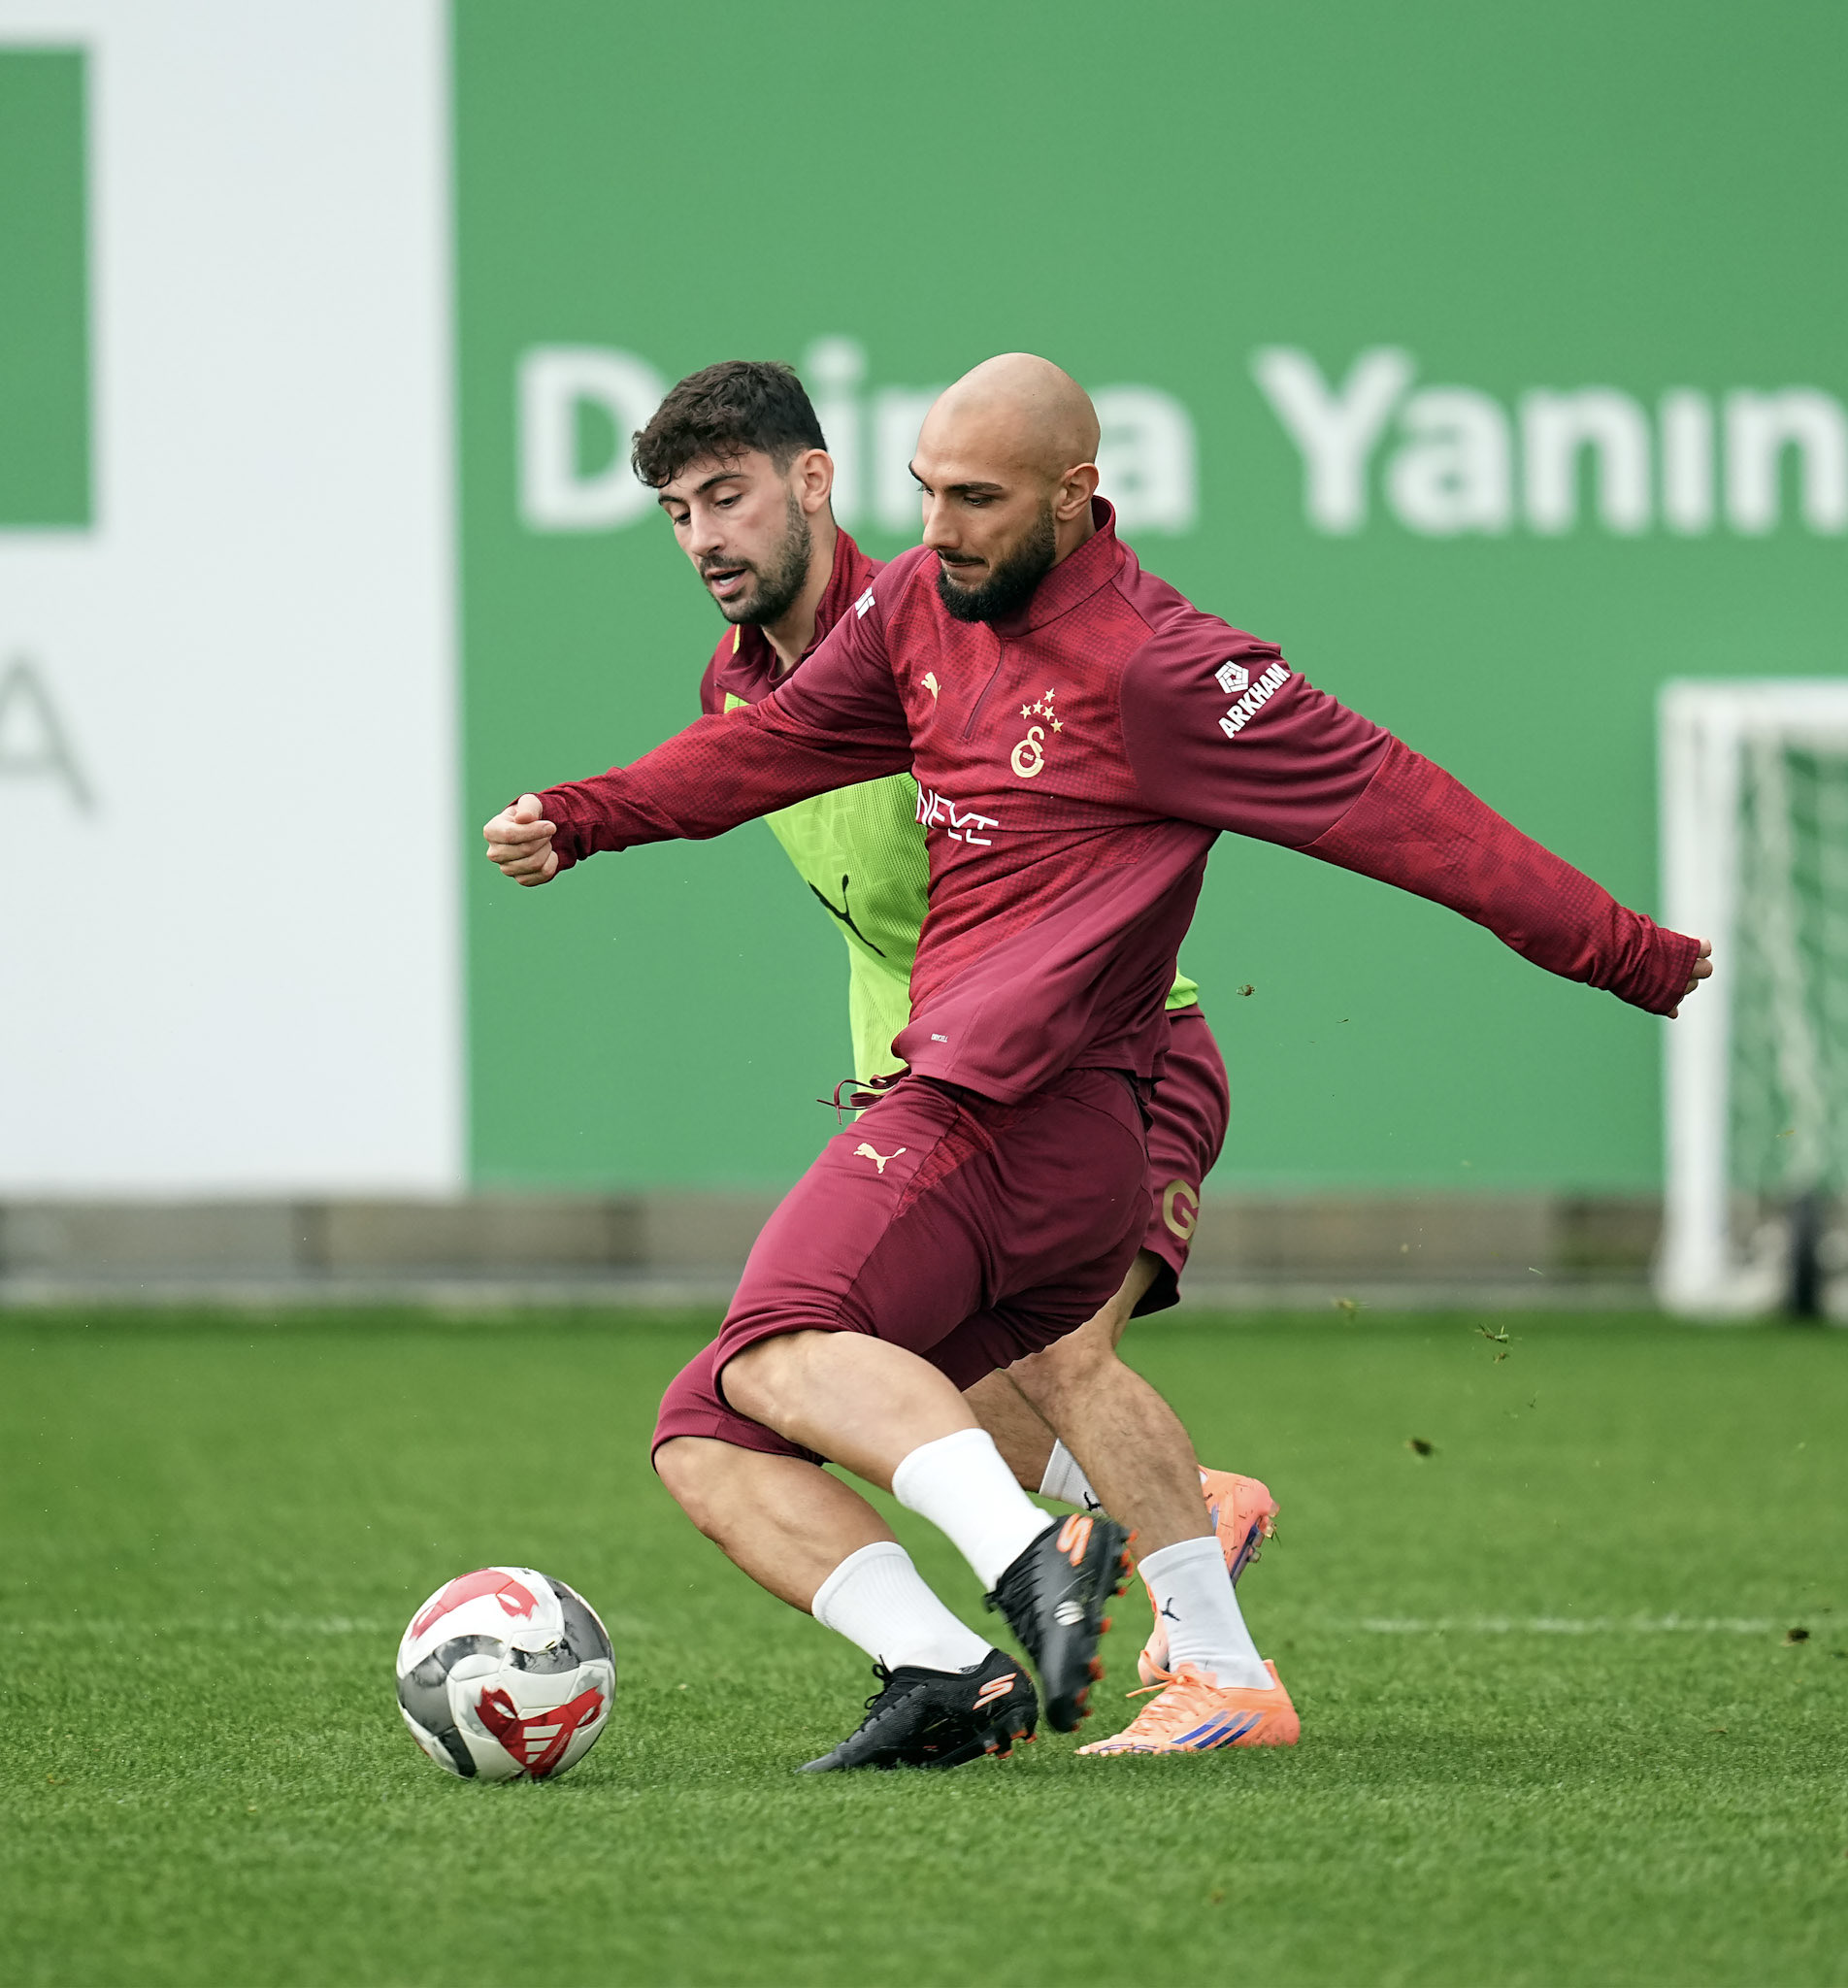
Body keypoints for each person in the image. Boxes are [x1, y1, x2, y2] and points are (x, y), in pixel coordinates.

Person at [484, 354, 1710, 1764]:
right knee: (778, 1400)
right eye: (928, 493)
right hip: (945, 1088)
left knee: (988, 1353)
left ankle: (1149, 1620)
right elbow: (765, 757)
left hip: (1086, 1079)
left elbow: (1410, 812)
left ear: (1075, 494)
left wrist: (1624, 951)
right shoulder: (904, 617)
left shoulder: (1161, 668)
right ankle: (1026, 1620)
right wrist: (582, 815)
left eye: (976, 499)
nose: (939, 529)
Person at [635, 360, 1272, 1694]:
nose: (703, 537)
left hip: (1118, 1060)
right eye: (679, 512)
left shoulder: (944, 642)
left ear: (815, 482)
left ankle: (1222, 1675)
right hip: (941, 1095)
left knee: (1064, 1357)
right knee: (901, 1372)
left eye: (729, 497)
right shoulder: (736, 691)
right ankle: (1175, 1505)